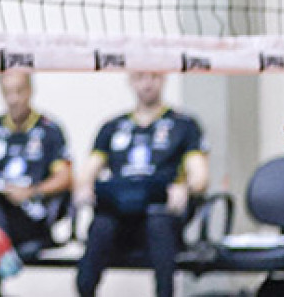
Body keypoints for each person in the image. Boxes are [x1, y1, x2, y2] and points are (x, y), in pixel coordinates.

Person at [75, 71, 208, 297]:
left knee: (158, 222)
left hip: (161, 215)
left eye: (153, 77)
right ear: (131, 81)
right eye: (140, 77)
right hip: (122, 215)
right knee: (100, 226)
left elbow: (201, 178)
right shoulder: (112, 127)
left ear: (163, 78)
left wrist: (184, 188)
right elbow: (86, 174)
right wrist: (84, 188)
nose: (147, 84)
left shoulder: (184, 125)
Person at [0, 69, 72, 297]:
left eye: (19, 91)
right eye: (8, 92)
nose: (14, 98)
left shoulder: (49, 131)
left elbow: (65, 178)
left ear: (30, 90)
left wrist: (31, 191)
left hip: (28, 214)